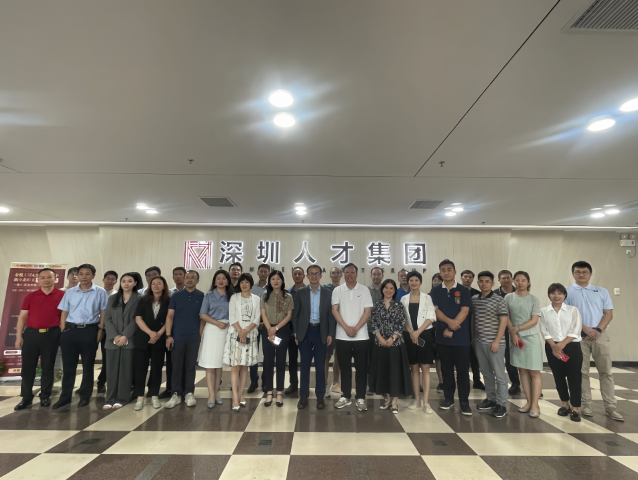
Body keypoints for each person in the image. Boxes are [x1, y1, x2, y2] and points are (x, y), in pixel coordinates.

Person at [565, 261, 623, 421]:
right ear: (573, 274)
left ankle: (610, 406)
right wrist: (584, 329)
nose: (581, 274)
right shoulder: (567, 292)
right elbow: (567, 315)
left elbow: (608, 314)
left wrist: (597, 330)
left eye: (584, 272)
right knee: (581, 372)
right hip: (577, 337)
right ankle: (586, 405)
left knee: (606, 372)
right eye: (578, 272)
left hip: (600, 335)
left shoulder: (602, 291)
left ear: (590, 274)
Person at [53, 264, 108, 409]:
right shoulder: (70, 292)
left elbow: (103, 311)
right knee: (69, 366)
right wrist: (63, 329)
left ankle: (85, 396)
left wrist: (101, 330)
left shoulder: (100, 292)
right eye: (81, 274)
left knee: (88, 365)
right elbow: (64, 311)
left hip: (90, 330)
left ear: (93, 276)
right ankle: (65, 397)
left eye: (87, 274)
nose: (84, 277)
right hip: (70, 331)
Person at [14, 268, 65, 410]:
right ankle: (26, 397)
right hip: (31, 334)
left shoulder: (62, 295)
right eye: (42, 277)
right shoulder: (31, 296)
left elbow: (64, 316)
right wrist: (18, 336)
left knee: (48, 367)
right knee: (28, 367)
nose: (46, 280)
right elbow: (22, 317)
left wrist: (62, 334)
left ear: (55, 279)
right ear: (38, 280)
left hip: (52, 334)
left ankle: (45, 396)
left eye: (49, 277)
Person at [430, 259, 472, 415]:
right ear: (440, 273)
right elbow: (436, 311)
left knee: (463, 372)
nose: (446, 272)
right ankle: (448, 399)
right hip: (442, 338)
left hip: (461, 339)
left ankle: (464, 402)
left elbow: (464, 311)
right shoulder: (435, 291)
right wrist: (449, 325)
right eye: (443, 270)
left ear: (455, 272)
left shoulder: (463, 290)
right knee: (446, 371)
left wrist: (451, 328)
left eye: (449, 269)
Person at [292, 265, 336, 409]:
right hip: (304, 333)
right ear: (307, 276)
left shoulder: (328, 293)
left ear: (321, 276)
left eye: (316, 273)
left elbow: (331, 316)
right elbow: (295, 315)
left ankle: (320, 396)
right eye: (311, 274)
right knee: (304, 366)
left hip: (321, 332)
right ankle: (304, 396)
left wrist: (330, 334)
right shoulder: (301, 292)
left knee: (320, 366)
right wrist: (296, 334)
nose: (314, 276)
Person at [332, 263, 373, 411]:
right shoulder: (337, 290)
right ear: (343, 274)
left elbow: (367, 312)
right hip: (342, 336)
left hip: (361, 337)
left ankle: (360, 397)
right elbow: (335, 310)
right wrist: (346, 328)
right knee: (345, 368)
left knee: (361, 368)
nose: (349, 275)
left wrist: (355, 329)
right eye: (347, 272)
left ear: (356, 274)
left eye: (352, 272)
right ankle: (346, 396)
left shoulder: (364, 290)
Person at [540, 283, 583, 422]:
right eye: (553, 293)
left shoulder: (572, 310)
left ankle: (575, 408)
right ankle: (564, 404)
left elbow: (575, 329)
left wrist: (562, 344)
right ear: (549, 295)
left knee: (574, 377)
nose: (556, 296)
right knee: (558, 376)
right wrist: (554, 346)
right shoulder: (543, 311)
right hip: (552, 347)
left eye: (560, 293)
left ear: (564, 295)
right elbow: (544, 331)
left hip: (571, 346)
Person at [369, 279, 412, 414]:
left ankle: (394, 402)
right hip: (380, 344)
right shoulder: (376, 305)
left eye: (391, 288)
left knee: (394, 373)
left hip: (396, 344)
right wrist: (380, 338)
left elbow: (401, 323)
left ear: (394, 291)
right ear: (382, 289)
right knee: (383, 372)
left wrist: (392, 338)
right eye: (386, 288)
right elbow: (373, 323)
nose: (388, 290)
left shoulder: (399, 305)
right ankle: (387, 399)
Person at [164, 270, 204, 409]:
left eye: (193, 278)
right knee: (176, 365)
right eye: (187, 277)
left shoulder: (202, 296)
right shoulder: (176, 296)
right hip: (177, 336)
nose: (189, 280)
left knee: (190, 365)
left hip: (193, 336)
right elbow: (169, 316)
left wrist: (199, 333)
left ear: (197, 281)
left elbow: (203, 317)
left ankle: (189, 393)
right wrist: (168, 336)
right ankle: (175, 393)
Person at [472, 271, 509, 418]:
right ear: (478, 283)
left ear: (493, 283)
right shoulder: (474, 299)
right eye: (481, 281)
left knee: (499, 375)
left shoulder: (499, 300)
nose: (484, 284)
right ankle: (491, 399)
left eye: (487, 281)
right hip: (479, 342)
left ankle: (502, 404)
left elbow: (504, 321)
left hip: (495, 343)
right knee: (486, 373)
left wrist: (496, 341)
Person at [505, 271, 543, 418]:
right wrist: (513, 333)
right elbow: (506, 317)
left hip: (531, 338)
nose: (520, 283)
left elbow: (534, 320)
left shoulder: (534, 299)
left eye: (523, 280)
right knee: (522, 371)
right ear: (513, 281)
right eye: (517, 280)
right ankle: (528, 401)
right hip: (516, 339)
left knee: (534, 372)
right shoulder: (508, 297)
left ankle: (535, 404)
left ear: (528, 282)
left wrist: (518, 329)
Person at [223, 273, 261, 411]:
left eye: (247, 282)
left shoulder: (256, 298)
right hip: (236, 333)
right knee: (235, 366)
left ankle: (241, 394)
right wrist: (240, 331)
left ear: (251, 284)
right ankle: (235, 396)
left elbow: (257, 317)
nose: (244, 284)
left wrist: (246, 331)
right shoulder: (234, 297)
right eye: (242, 282)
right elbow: (232, 316)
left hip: (250, 333)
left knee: (245, 366)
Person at [103, 273, 140, 410]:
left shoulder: (140, 299)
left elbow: (137, 319)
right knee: (111, 371)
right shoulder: (113, 298)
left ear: (135, 283)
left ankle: (122, 398)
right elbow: (107, 319)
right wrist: (114, 336)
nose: (126, 283)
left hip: (129, 340)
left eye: (130, 281)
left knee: (126, 371)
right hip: (112, 340)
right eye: (124, 281)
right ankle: (110, 399)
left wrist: (125, 336)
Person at [401, 271, 436, 414]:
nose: (414, 282)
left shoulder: (427, 297)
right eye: (411, 280)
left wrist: (418, 332)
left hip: (425, 335)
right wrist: (411, 332)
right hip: (409, 336)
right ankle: (416, 399)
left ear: (420, 282)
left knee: (425, 369)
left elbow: (431, 316)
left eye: (416, 280)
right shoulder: (404, 299)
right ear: (408, 282)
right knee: (414, 368)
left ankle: (426, 402)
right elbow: (403, 319)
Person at [134, 276, 169, 410]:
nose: (156, 286)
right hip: (143, 338)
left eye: (159, 283)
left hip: (159, 339)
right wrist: (150, 333)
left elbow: (169, 320)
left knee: (156, 368)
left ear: (164, 286)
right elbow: (138, 319)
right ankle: (139, 397)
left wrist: (158, 334)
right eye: (153, 284)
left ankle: (154, 395)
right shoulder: (143, 300)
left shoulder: (168, 301)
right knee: (140, 369)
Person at [200, 270, 233, 408]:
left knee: (219, 364)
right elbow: (203, 314)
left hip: (226, 331)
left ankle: (217, 392)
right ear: (214, 281)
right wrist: (217, 323)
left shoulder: (232, 296)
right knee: (210, 363)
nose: (221, 281)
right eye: (218, 278)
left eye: (224, 278)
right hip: (212, 330)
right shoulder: (208, 295)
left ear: (227, 281)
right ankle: (211, 395)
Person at [260, 270, 294, 408]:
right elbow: (263, 314)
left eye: (278, 279)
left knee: (280, 362)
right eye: (273, 279)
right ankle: (269, 392)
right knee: (268, 362)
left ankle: (279, 392)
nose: (276, 281)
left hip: (282, 330)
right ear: (270, 281)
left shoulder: (288, 296)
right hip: (267, 331)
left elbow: (289, 316)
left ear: (282, 281)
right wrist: (270, 329)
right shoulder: (265, 296)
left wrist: (276, 328)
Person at [494, 270, 521, 395]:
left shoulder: (520, 292)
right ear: (499, 280)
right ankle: (515, 384)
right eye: (503, 278)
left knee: (525, 357)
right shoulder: (495, 294)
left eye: (508, 278)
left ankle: (532, 385)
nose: (506, 280)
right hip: (502, 331)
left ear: (512, 279)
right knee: (509, 359)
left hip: (520, 329)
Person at [460, 270, 485, 391]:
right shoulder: (457, 291)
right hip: (460, 327)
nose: (467, 279)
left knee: (475, 356)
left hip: (475, 327)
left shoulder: (477, 294)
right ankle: (462, 380)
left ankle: (477, 380)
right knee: (462, 357)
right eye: (465, 276)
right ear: (461, 278)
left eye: (470, 277)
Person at [248, 263, 270, 394]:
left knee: (267, 354)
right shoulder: (251, 288)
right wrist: (256, 322)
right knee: (253, 353)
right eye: (261, 271)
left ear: (268, 273)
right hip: (253, 325)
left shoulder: (272, 288)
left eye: (265, 271)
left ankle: (266, 381)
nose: (263, 273)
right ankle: (254, 380)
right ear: (257, 273)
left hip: (267, 325)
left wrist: (264, 322)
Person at [96, 270, 118, 394]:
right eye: (107, 278)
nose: (110, 281)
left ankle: (101, 382)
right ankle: (86, 385)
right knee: (89, 357)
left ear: (116, 281)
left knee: (107, 358)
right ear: (103, 279)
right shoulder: (96, 292)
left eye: (112, 279)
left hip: (109, 329)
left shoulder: (117, 295)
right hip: (94, 327)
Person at [284, 267, 305, 394]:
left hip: (306, 330)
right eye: (295, 274)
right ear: (292, 276)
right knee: (292, 358)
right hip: (291, 329)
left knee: (306, 359)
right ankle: (293, 384)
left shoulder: (309, 291)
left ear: (304, 276)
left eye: (299, 274)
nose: (297, 276)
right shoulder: (288, 293)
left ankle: (304, 384)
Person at [323, 267, 343, 397]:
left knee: (338, 357)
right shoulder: (325, 289)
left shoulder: (344, 289)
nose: (335, 275)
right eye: (333, 272)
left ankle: (336, 383)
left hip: (341, 327)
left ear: (341, 275)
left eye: (338, 272)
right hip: (328, 327)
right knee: (326, 356)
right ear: (330, 275)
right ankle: (324, 385)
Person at [366, 267, 384, 394]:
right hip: (369, 329)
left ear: (382, 276)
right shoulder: (365, 290)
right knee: (370, 359)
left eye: (378, 274)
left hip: (384, 330)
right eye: (374, 274)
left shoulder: (386, 289)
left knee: (382, 358)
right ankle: (370, 385)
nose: (376, 276)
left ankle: (382, 385)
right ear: (370, 276)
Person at [430, 273, 444, 393]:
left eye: (439, 281)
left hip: (443, 329)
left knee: (440, 358)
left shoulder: (446, 295)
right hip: (429, 330)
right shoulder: (427, 296)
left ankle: (442, 381)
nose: (436, 282)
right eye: (435, 280)